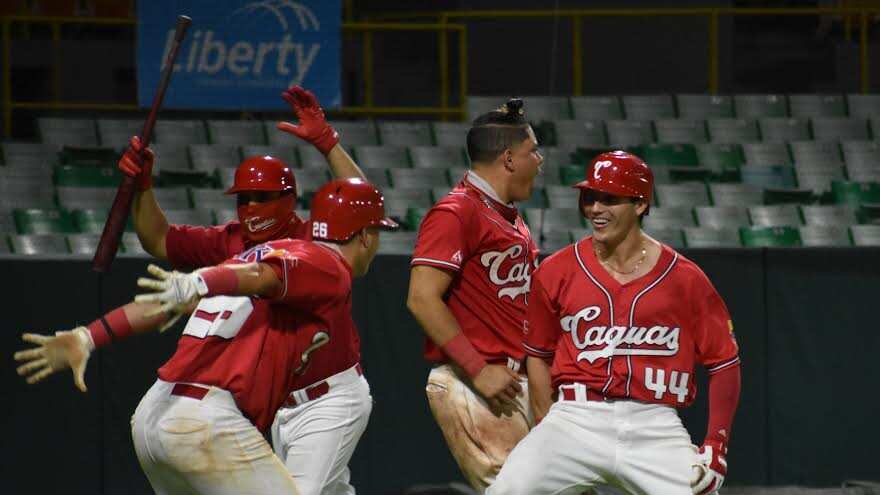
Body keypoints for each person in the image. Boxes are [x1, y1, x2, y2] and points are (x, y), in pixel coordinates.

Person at [14, 178, 397, 495]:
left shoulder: (245, 257)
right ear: (365, 236)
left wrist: (89, 336)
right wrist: (199, 281)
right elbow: (263, 277)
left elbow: (164, 302)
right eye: (378, 233)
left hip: (151, 417)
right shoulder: (326, 266)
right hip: (204, 422)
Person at [487, 151, 741, 495]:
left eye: (609, 199)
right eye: (589, 198)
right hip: (575, 416)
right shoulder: (556, 270)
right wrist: (549, 425)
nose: (595, 208)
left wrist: (716, 445)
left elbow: (725, 362)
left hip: (654, 425)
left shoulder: (685, 278)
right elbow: (538, 356)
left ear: (640, 204)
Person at [406, 98, 543, 492]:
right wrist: (478, 369)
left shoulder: (504, 212)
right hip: (475, 381)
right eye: (533, 151)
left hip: (508, 381)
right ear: (509, 159)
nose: (539, 161)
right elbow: (421, 298)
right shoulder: (456, 211)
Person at [118, 85, 365, 267]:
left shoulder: (313, 238)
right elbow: (158, 240)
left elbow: (363, 209)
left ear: (289, 198)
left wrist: (328, 142)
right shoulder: (226, 241)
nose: (252, 206)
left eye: (262, 197)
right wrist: (143, 186)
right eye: (244, 198)